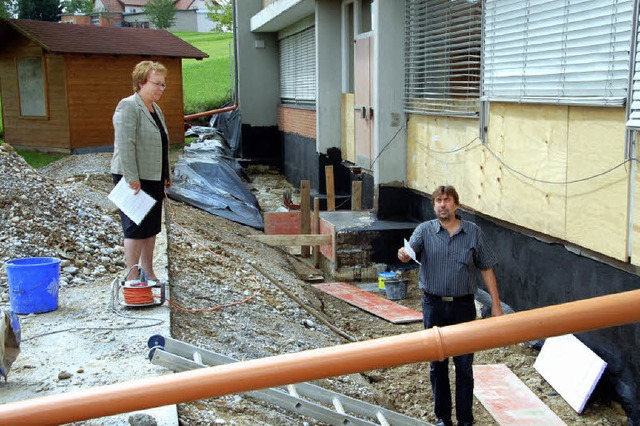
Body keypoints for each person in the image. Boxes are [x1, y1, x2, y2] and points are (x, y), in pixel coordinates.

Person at [397, 185, 503, 426]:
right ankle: (443, 418)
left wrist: (496, 305)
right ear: (434, 205)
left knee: (464, 366)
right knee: (437, 365)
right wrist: (403, 254)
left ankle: (465, 421)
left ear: (456, 205)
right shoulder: (424, 231)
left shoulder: (473, 232)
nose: (442, 205)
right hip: (433, 306)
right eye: (438, 201)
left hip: (463, 307)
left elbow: (486, 268)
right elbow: (409, 252)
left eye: (447, 200)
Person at [111, 61, 172, 284]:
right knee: (135, 227)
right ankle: (132, 274)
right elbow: (125, 144)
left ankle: (149, 270)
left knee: (151, 227)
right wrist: (131, 178)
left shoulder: (156, 110)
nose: (161, 89)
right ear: (140, 83)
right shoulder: (128, 106)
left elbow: (162, 144)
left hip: (153, 175)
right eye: (157, 84)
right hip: (133, 177)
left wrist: (166, 175)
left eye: (163, 85)